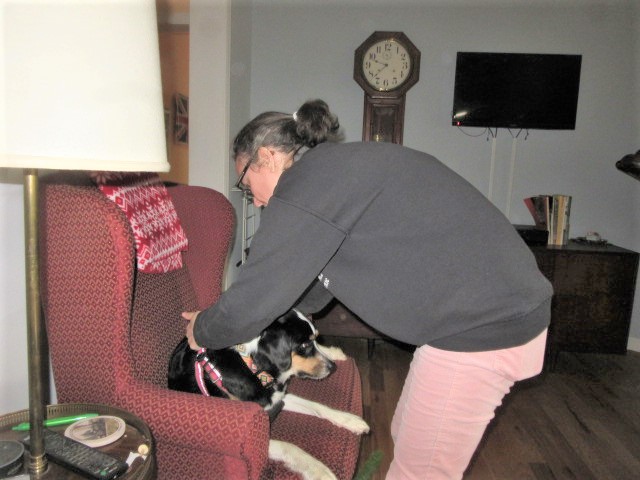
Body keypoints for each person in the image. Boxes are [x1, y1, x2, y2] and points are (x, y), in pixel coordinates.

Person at [183, 99, 552, 480]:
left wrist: (203, 329)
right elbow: (311, 287)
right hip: (490, 313)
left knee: (421, 472)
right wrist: (271, 317)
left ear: (268, 156)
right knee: (407, 436)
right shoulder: (330, 174)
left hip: (482, 326)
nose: (257, 200)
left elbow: (255, 296)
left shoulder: (302, 188)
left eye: (247, 184)